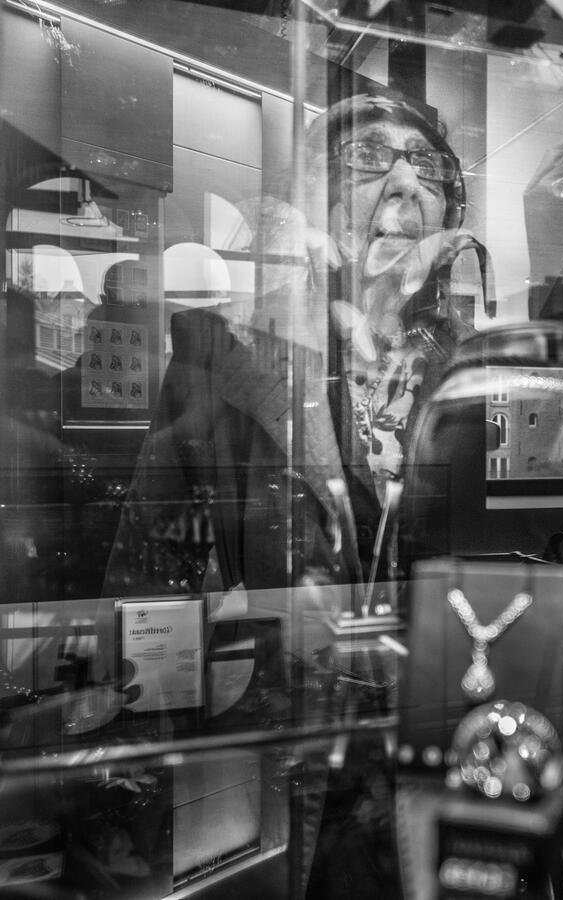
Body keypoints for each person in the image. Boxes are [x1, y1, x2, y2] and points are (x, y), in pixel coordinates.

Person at [101, 92, 478, 897]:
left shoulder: (474, 371)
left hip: (442, 734)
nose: (407, 182)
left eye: (429, 168)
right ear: (314, 206)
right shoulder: (229, 359)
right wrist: (133, 781)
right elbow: (148, 570)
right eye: (370, 159)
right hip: (279, 739)